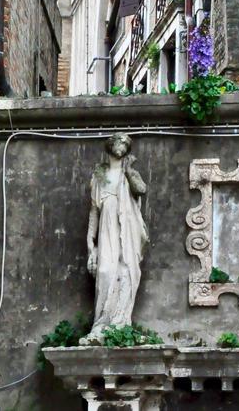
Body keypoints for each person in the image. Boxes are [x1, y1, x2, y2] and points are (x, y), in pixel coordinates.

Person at [80, 134, 148, 345]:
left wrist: (128, 171)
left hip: (128, 224)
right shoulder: (99, 175)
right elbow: (94, 210)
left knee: (127, 270)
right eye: (118, 142)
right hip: (107, 223)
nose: (121, 146)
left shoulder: (130, 173)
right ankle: (102, 324)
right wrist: (91, 244)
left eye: (125, 144)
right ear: (110, 147)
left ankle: (121, 323)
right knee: (106, 271)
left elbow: (141, 189)